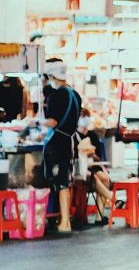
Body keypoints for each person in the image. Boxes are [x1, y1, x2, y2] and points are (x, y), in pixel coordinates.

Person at [40, 60, 81, 233]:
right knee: (66, 181)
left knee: (61, 183)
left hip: (57, 143)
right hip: (70, 142)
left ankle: (65, 221)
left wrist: (37, 122)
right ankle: (64, 220)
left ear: (52, 76)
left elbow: (53, 121)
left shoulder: (56, 96)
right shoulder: (75, 95)